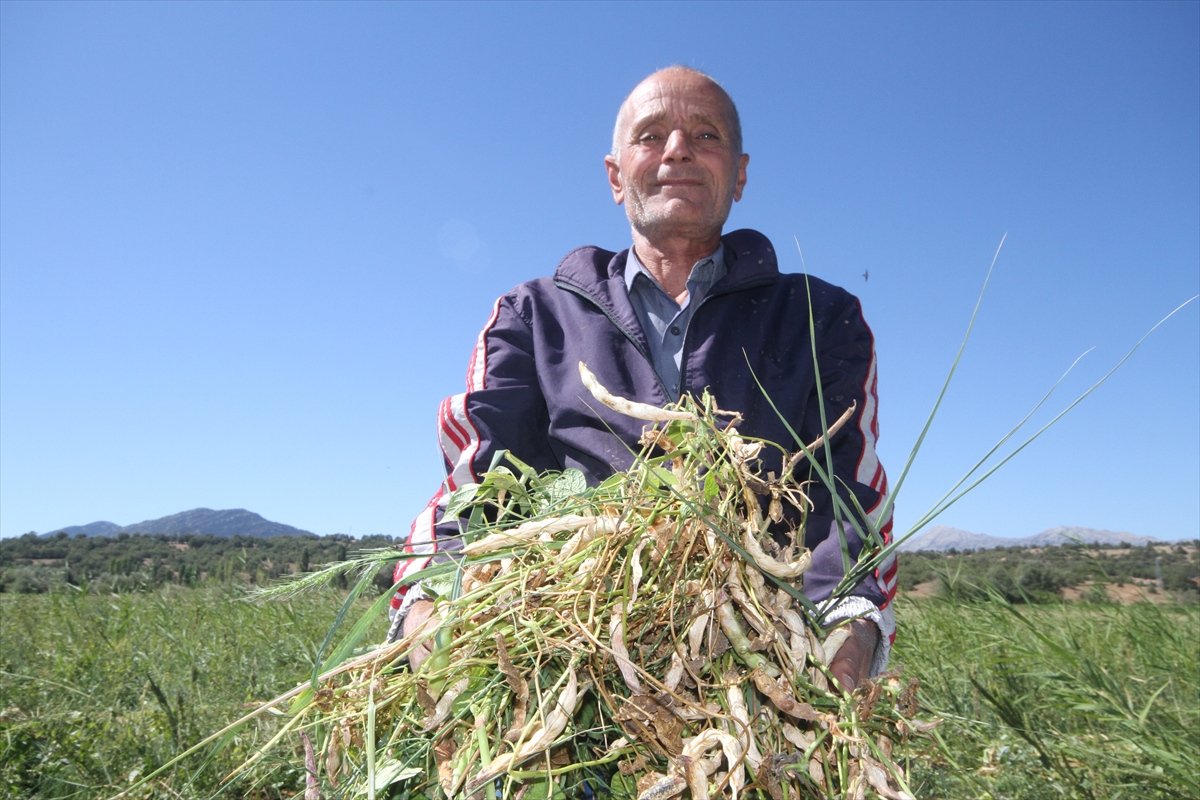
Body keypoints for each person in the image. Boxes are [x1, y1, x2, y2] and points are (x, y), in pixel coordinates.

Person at [388, 67, 897, 691]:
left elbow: (846, 499)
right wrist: (433, 609)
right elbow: (475, 492)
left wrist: (849, 634)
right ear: (614, 176)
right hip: (572, 664)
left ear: (739, 174)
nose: (677, 149)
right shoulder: (532, 316)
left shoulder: (821, 318)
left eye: (705, 135)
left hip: (768, 666)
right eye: (651, 135)